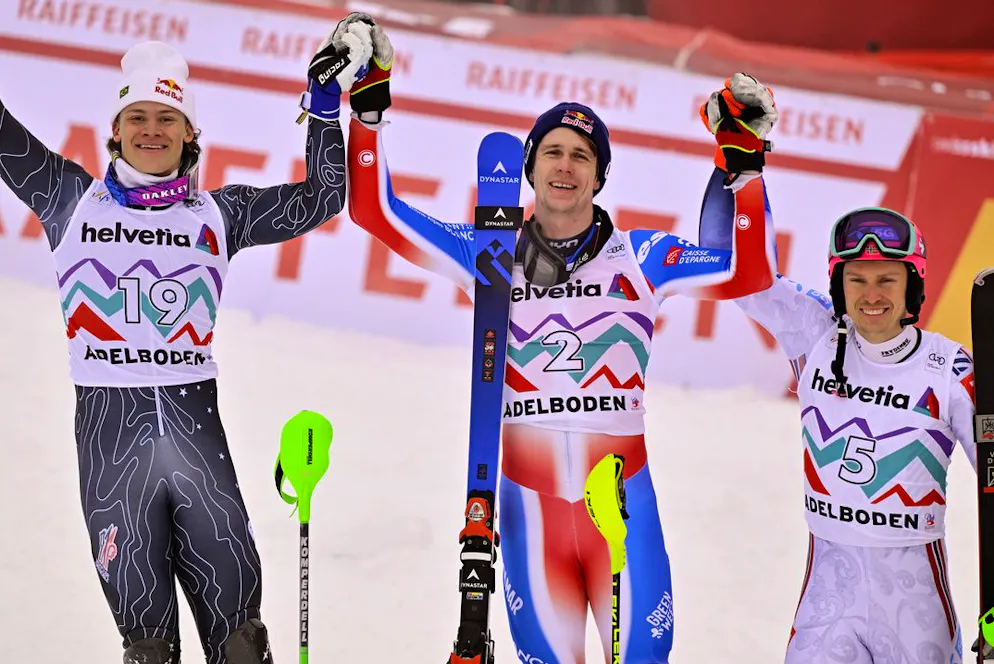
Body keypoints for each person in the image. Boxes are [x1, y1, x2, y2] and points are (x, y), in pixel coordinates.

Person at [343, 15, 780, 663]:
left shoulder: (644, 256)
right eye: (553, 151)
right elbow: (375, 212)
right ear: (529, 167)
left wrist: (741, 170)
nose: (567, 165)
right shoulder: (487, 253)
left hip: (625, 509)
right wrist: (369, 112)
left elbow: (745, 269)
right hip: (529, 514)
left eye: (583, 155)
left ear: (599, 176)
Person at [0, 16, 374, 664]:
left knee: (241, 642)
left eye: (167, 118)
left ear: (190, 133)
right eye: (138, 116)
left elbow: (324, 195)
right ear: (114, 129)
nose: (152, 130)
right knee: (148, 649)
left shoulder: (218, 215)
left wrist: (323, 104)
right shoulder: (70, 198)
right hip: (111, 449)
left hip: (196, 442)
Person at [706, 201, 977, 663]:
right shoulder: (814, 336)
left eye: (887, 279)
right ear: (839, 285)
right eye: (857, 279)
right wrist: (743, 176)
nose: (872, 295)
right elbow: (725, 266)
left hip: (916, 612)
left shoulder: (948, 368)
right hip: (828, 602)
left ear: (912, 284)